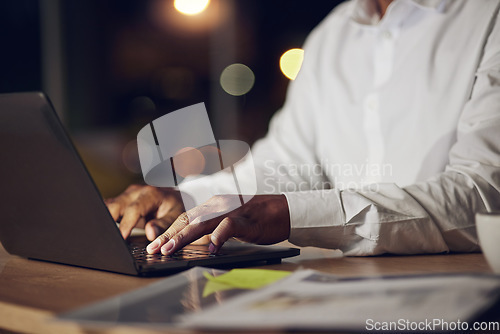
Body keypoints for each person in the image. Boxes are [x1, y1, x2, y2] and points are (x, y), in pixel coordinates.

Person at [106, 0, 500, 257]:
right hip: (342, 287)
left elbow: (486, 195)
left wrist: (293, 213)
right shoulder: (333, 35)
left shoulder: (489, 17)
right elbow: (286, 166)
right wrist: (188, 202)